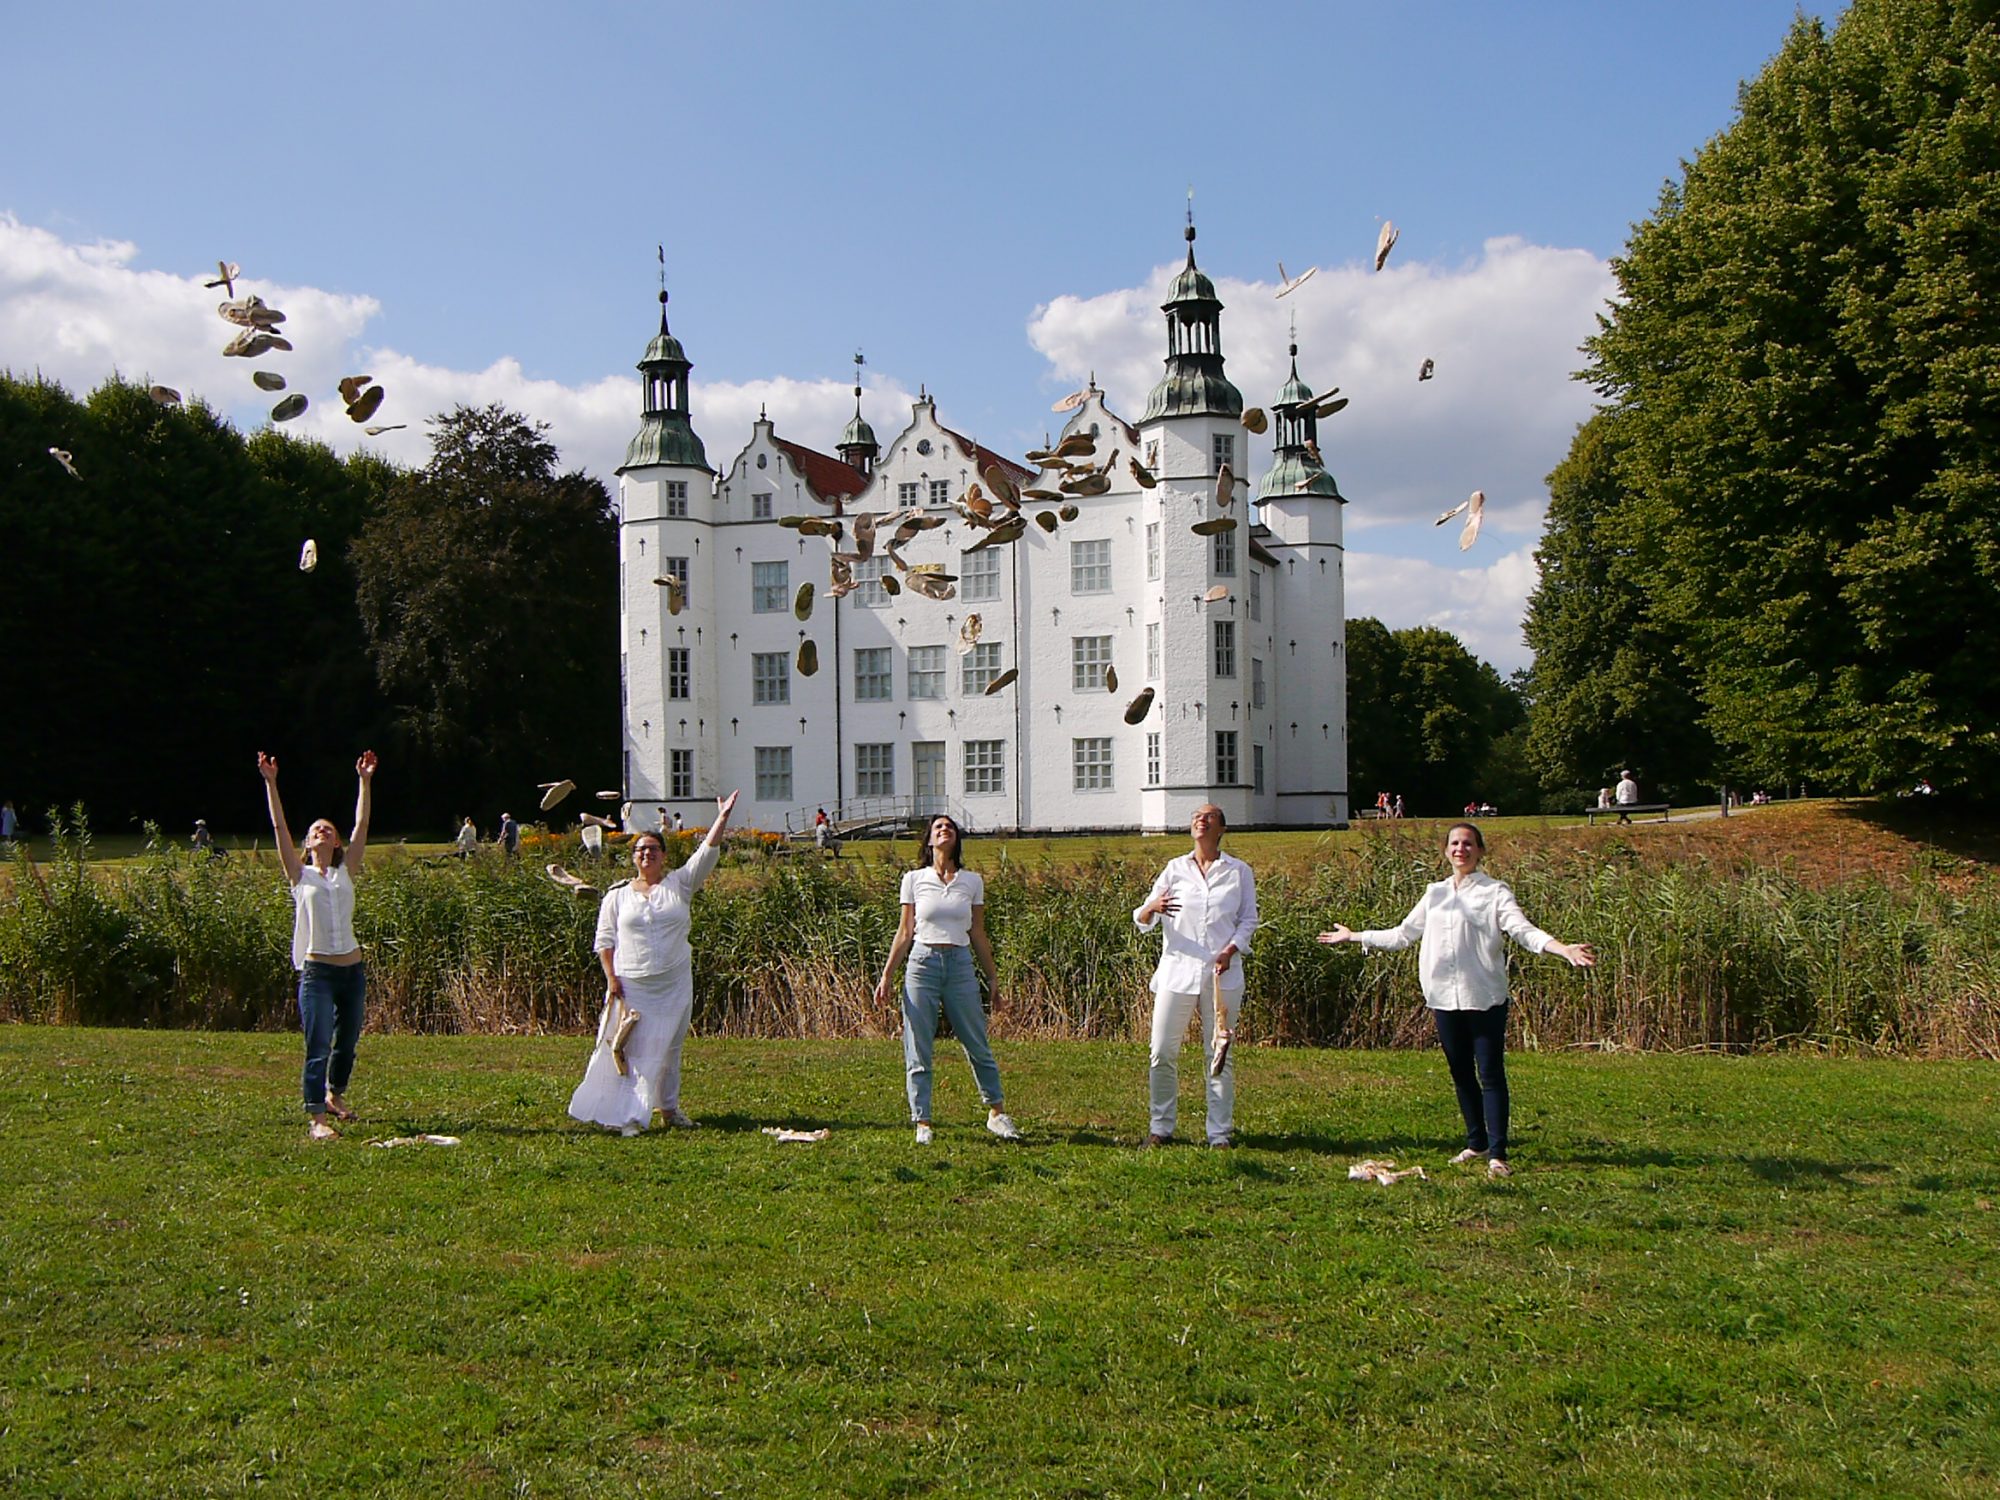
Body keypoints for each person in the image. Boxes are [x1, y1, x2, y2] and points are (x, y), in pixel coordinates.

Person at [1317, 822, 1595, 1177]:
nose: (1460, 849)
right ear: (1446, 851)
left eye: (1468, 844)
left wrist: (1562, 948)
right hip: (1444, 998)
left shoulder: (1495, 892)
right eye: (1454, 843)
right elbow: (1404, 934)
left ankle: (1497, 1153)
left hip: (1484, 998)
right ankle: (1476, 1143)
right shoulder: (1435, 893)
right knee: (1461, 1073)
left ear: (1480, 851)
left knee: (1490, 1073)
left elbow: (1522, 930)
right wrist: (1356, 936)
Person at [570, 790, 739, 1135]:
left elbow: (705, 855)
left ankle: (670, 1109)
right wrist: (611, 979)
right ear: (633, 857)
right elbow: (604, 941)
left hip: (674, 983)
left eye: (653, 849)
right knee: (628, 1049)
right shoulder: (617, 895)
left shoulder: (679, 884)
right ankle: (626, 1111)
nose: (647, 854)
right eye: (641, 850)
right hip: (632, 985)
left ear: (663, 855)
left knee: (669, 1048)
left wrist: (721, 818)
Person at [873, 814, 1022, 1144]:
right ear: (929, 840)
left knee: (976, 1041)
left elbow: (979, 933)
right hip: (921, 964)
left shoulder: (972, 882)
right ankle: (922, 1120)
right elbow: (905, 931)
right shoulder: (913, 879)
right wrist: (886, 975)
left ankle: (997, 1113)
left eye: (950, 827)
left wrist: (993, 979)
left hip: (960, 964)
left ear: (956, 839)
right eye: (938, 827)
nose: (944, 830)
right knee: (918, 1044)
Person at [258, 749, 377, 1141]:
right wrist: (271, 783)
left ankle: (335, 1096)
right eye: (315, 830)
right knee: (319, 1042)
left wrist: (364, 780)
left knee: (348, 1041)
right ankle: (317, 1120)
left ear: (336, 840)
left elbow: (362, 824)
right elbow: (278, 828)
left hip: (352, 971)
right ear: (307, 843)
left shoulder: (347, 871)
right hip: (318, 973)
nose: (322, 832)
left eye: (328, 829)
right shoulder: (300, 876)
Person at [1133, 804, 1259, 1148]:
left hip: (1221, 976)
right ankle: (1161, 1128)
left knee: (1218, 1053)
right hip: (1177, 971)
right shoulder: (1174, 870)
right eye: (1196, 817)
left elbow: (1249, 919)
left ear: (1222, 829)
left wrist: (1231, 950)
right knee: (1161, 1051)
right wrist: (1151, 909)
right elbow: (1141, 917)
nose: (1201, 821)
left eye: (1210, 817)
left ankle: (1219, 1134)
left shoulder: (1238, 872)